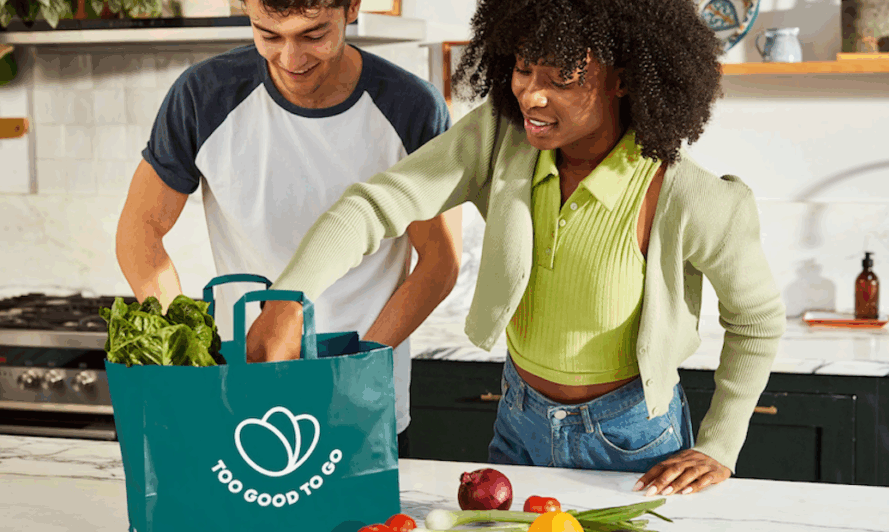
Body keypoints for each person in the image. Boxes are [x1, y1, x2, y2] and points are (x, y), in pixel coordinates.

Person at [247, 0, 786, 496]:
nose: (532, 95)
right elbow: (377, 204)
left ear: (623, 80)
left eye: (561, 80)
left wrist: (720, 443)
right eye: (524, 69)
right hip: (518, 420)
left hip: (633, 438)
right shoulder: (502, 139)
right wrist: (288, 297)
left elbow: (757, 319)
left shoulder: (689, 196)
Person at [114, 0, 462, 458]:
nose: (290, 60)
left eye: (314, 35)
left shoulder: (410, 106)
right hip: (240, 393)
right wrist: (185, 347)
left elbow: (440, 262)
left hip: (361, 404)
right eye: (269, 35)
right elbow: (141, 228)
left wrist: (358, 366)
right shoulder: (204, 94)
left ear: (351, 7)